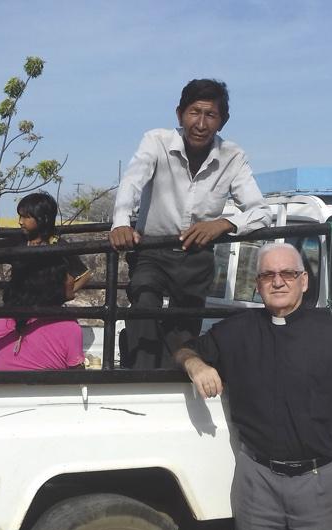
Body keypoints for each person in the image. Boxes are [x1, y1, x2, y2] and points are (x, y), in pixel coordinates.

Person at [175, 243, 332, 530]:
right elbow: (184, 346)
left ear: (305, 282)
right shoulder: (237, 331)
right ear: (257, 283)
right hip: (258, 485)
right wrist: (197, 365)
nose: (278, 282)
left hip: (319, 484)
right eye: (268, 275)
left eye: (288, 274)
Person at [109, 78, 272, 369]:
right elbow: (132, 182)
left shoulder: (233, 156)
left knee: (184, 330)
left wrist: (224, 224)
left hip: (197, 255)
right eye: (194, 112)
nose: (201, 123)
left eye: (211, 115)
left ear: (223, 121)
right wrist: (121, 222)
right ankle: (139, 380)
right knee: (144, 302)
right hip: (152, 250)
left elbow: (261, 212)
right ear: (179, 114)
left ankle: (178, 383)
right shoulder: (156, 141)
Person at [0, 191, 92, 294]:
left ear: (43, 218)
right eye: (20, 216)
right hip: (19, 303)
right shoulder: (19, 241)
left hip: (46, 308)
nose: (20, 222)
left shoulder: (59, 245)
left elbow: (85, 275)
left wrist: (63, 295)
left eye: (26, 217)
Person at [0, 259, 84, 371]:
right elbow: (79, 379)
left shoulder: (3, 318)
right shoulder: (69, 327)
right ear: (54, 284)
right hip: (45, 387)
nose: (72, 279)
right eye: (66, 275)